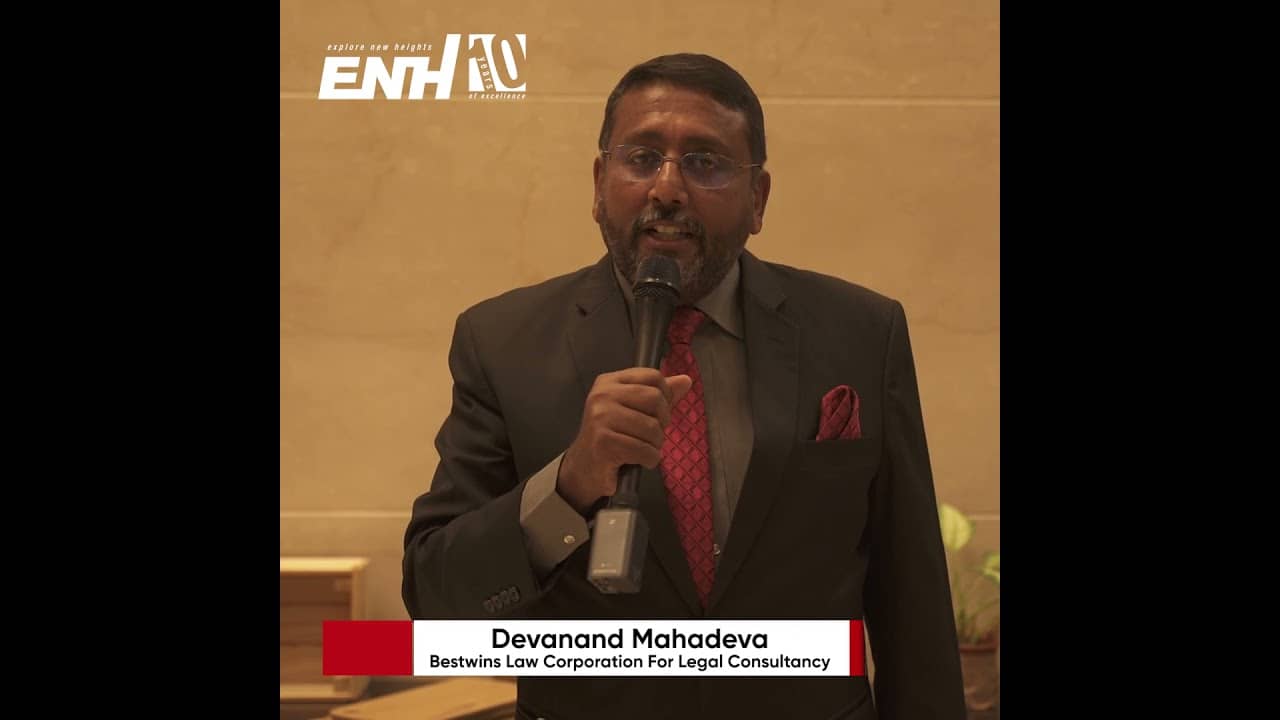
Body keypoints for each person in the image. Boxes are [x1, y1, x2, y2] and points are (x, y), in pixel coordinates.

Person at [402, 52, 966, 720]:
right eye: (642, 158)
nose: (667, 188)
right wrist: (568, 486)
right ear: (598, 183)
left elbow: (911, 596)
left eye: (706, 162)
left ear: (758, 199)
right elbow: (437, 598)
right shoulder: (502, 343)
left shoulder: (861, 333)